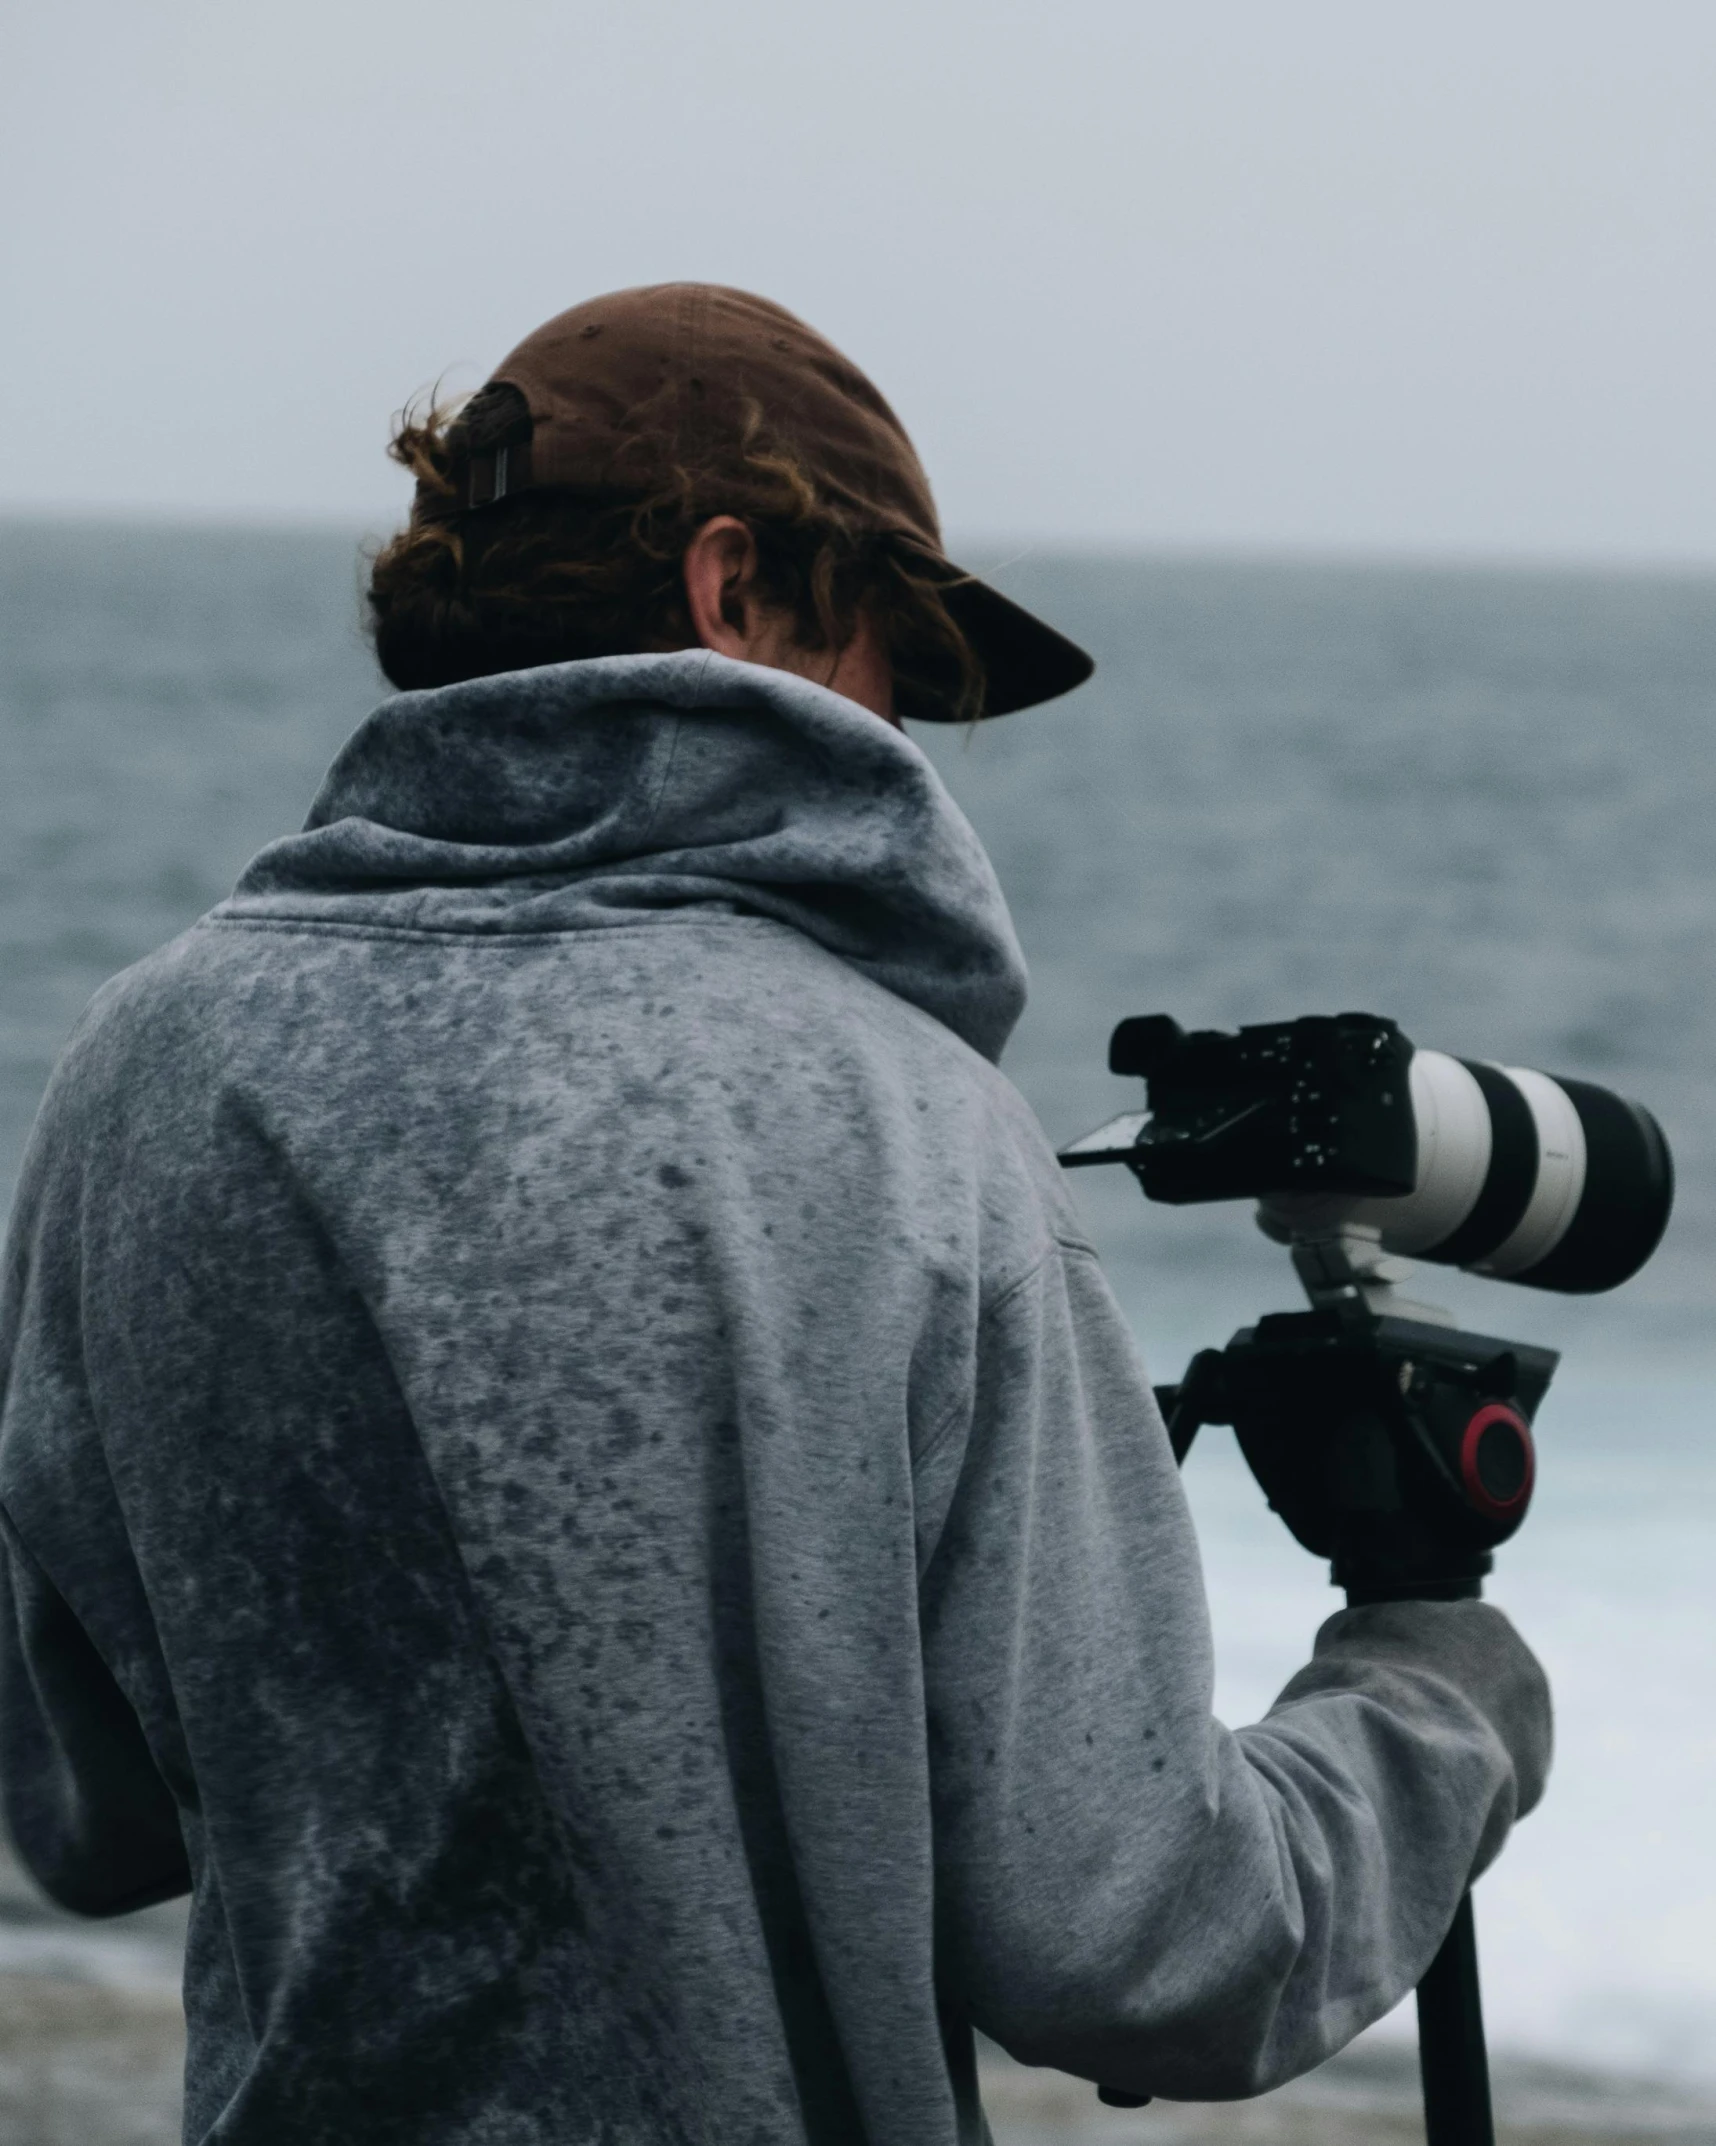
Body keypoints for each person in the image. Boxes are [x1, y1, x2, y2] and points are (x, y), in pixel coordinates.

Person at [0, 284, 1549, 2144]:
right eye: (894, 649)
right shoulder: (903, 1129)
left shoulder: (144, 1062)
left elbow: (82, 1808)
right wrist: (1433, 1687)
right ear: (733, 588)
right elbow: (1140, 1944)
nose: (909, 724)